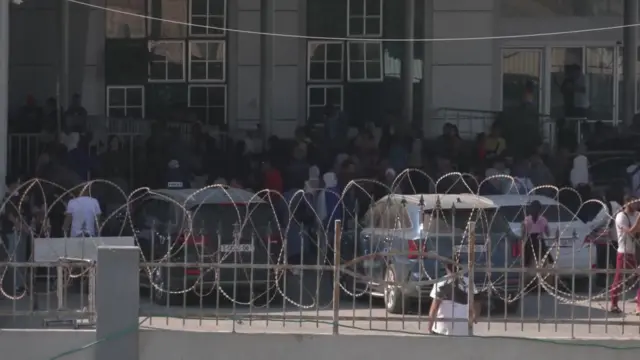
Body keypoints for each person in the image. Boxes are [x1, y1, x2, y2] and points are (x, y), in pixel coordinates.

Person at [427, 257, 479, 336]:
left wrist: (429, 328)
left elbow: (435, 307)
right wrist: (474, 317)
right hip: (462, 327)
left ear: (446, 267)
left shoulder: (441, 282)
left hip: (442, 328)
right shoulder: (468, 282)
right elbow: (473, 304)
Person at [610, 195, 640, 314]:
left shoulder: (636, 214)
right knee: (619, 280)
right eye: (634, 203)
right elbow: (629, 232)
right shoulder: (621, 216)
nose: (637, 205)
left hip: (634, 252)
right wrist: (638, 223)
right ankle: (614, 304)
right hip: (623, 253)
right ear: (627, 203)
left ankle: (639, 305)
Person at [586, 189, 622, 288]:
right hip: (618, 238)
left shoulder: (609, 206)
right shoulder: (621, 206)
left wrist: (588, 226)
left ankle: (602, 282)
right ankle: (619, 282)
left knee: (602, 261)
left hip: (606, 239)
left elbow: (599, 220)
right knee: (615, 261)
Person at [0, 174, 30, 293]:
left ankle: (19, 284)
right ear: (13, 184)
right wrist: (22, 227)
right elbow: (11, 216)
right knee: (14, 259)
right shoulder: (8, 199)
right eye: (17, 183)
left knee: (20, 259)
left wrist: (25, 227)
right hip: (11, 233)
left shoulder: (17, 199)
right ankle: (14, 285)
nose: (19, 185)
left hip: (18, 233)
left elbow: (19, 215)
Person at [522, 200, 552, 291]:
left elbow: (547, 233)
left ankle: (541, 283)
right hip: (531, 241)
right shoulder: (528, 219)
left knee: (542, 262)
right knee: (527, 262)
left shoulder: (541, 220)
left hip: (538, 241)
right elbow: (524, 232)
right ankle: (529, 283)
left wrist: (544, 231)